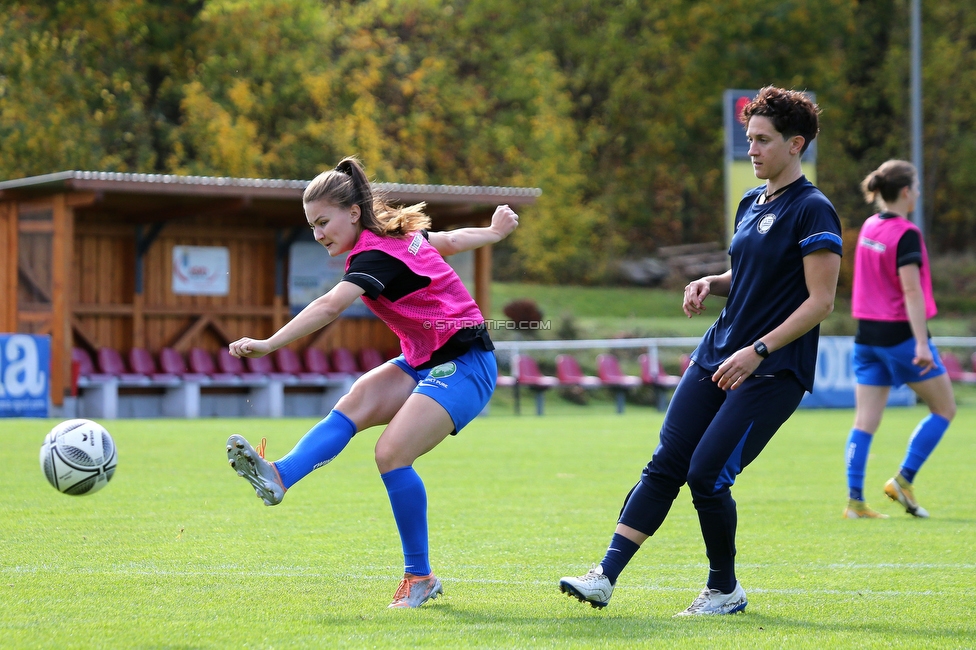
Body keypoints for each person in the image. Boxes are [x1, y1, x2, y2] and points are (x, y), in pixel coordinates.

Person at [559, 86, 842, 615]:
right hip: (717, 354)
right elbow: (755, 274)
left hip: (773, 369)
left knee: (707, 474)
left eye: (763, 140)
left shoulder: (814, 210)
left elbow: (819, 302)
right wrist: (715, 280)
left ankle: (723, 590)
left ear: (795, 144)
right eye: (749, 139)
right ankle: (604, 576)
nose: (752, 150)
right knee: (666, 463)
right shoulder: (751, 202)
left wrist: (758, 349)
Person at [225, 157, 519, 608]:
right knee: (357, 400)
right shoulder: (399, 237)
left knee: (391, 453)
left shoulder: (374, 255)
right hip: (424, 359)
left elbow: (328, 307)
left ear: (354, 213)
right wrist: (495, 233)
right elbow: (451, 241)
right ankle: (281, 475)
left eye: (324, 221)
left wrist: (269, 343)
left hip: (466, 364)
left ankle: (419, 578)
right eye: (312, 226)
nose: (319, 233)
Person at [842, 160, 955, 519]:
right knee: (944, 409)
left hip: (866, 336)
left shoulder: (869, 226)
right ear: (906, 192)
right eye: (917, 187)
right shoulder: (907, 233)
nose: (918, 193)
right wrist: (922, 343)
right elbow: (910, 290)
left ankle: (855, 502)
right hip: (900, 336)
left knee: (864, 421)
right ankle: (903, 480)